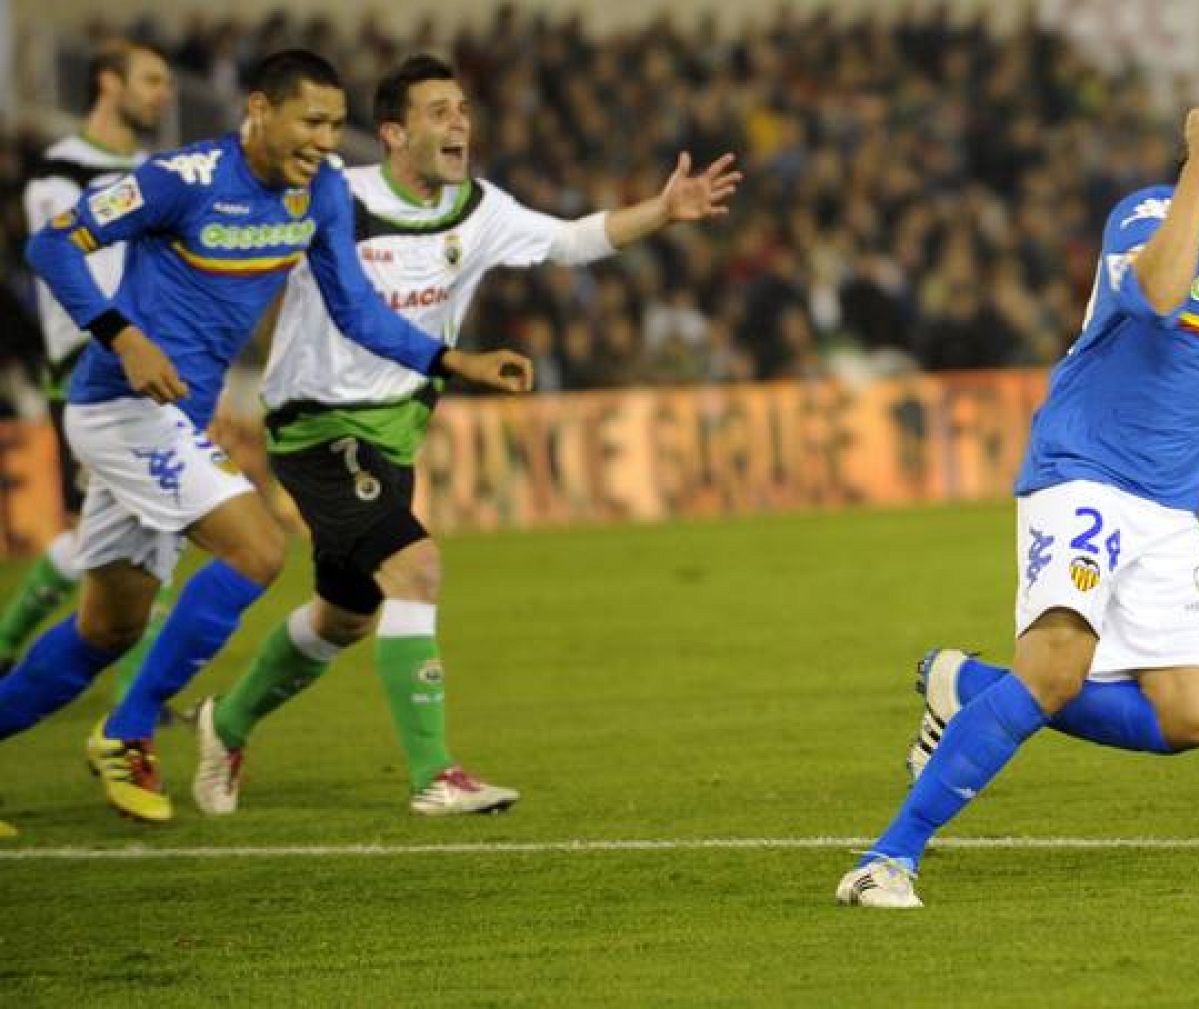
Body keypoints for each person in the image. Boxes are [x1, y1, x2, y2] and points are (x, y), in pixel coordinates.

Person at [836, 71, 1199, 908]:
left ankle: (965, 687)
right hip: (1085, 474)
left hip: (1173, 505)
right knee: (1057, 670)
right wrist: (1197, 168)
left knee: (1190, 716)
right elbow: (1164, 293)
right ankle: (888, 858)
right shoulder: (1148, 216)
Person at [190, 55, 739, 817]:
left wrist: (663, 209)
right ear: (392, 133)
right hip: (315, 425)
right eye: (440, 111)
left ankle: (228, 721)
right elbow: (234, 249)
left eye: (463, 110)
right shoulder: (333, 197)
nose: (459, 123)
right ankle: (434, 775)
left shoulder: (478, 209)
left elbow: (574, 240)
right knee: (416, 569)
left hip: (394, 436)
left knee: (343, 616)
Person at [0, 49, 531, 825]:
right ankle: (129, 730)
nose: (324, 140)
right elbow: (53, 243)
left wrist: (451, 357)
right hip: (119, 403)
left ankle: (118, 719)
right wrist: (123, 336)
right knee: (258, 548)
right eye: (310, 121)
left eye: (336, 125)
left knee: (106, 628)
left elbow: (356, 309)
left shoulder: (317, 196)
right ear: (258, 109)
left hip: (177, 415)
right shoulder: (180, 180)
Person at [0, 41, 174, 693]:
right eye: (152, 80)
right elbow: (68, 273)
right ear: (108, 82)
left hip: (146, 366)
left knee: (104, 535)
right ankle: (137, 705)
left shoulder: (154, 172)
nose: (164, 94)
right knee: (145, 524)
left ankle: (7, 646)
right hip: (90, 369)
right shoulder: (58, 172)